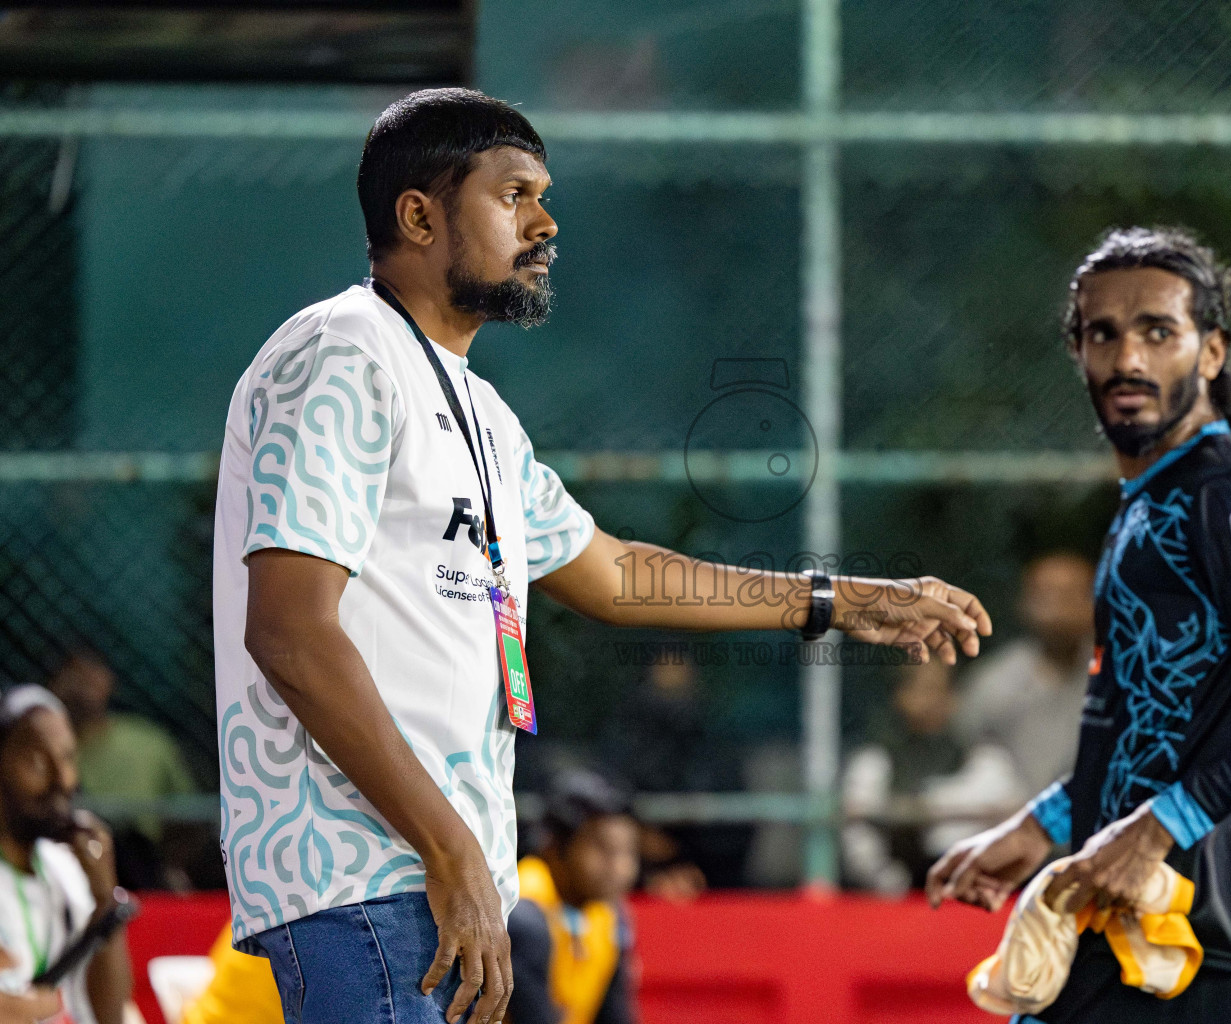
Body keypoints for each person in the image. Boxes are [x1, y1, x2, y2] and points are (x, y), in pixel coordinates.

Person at [212, 87, 991, 1024]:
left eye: (545, 196)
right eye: (514, 195)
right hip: (365, 875)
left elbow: (616, 573)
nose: (546, 223)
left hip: (444, 879)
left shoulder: (481, 415)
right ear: (418, 214)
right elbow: (291, 634)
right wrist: (450, 850)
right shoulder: (340, 354)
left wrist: (837, 600)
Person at [927, 226, 1231, 1024]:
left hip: (1188, 930)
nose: (1127, 359)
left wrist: (1157, 828)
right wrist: (1047, 823)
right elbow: (1160, 724)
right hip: (1139, 914)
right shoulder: (1155, 499)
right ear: (1079, 352)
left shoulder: (1221, 499)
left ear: (1210, 353)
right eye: (1104, 333)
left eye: (1157, 332)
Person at [0, 686, 133, 1024]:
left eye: (68, 758)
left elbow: (110, 1016)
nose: (63, 779)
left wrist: (105, 900)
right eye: (37, 761)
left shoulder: (65, 868)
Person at [843, 658, 1020, 895]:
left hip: (969, 898)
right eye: (920, 689)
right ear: (900, 696)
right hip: (896, 901)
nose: (931, 702)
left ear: (954, 696)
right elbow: (859, 841)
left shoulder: (988, 764)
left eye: (940, 690)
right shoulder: (872, 765)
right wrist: (893, 884)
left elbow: (1013, 835)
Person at [47, 652, 198, 888]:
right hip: (69, 863)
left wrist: (170, 864)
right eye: (74, 676)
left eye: (91, 676)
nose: (82, 687)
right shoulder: (43, 749)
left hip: (143, 867)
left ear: (108, 681)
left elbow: (189, 816)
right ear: (54, 685)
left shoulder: (147, 742)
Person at [955, 553, 1096, 800]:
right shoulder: (992, 683)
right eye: (1046, 595)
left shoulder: (1122, 679)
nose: (1058, 607)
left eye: (1071, 595)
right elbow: (966, 762)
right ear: (1024, 603)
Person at [598, 655, 743, 894]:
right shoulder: (624, 743)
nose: (670, 707)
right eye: (661, 693)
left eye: (679, 692)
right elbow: (603, 805)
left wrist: (686, 857)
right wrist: (639, 839)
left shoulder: (713, 750)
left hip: (710, 880)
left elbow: (734, 832)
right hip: (634, 881)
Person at [506, 773, 639, 1024]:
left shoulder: (609, 914)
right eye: (603, 850)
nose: (620, 868)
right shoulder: (521, 911)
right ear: (554, 845)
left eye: (628, 851)